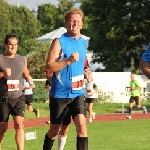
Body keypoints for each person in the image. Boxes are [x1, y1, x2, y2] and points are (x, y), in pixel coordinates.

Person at [43, 8, 89, 150]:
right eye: (71, 21)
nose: (74, 23)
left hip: (78, 92)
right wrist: (68, 61)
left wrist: (86, 71)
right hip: (60, 94)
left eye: (77, 21)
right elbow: (49, 67)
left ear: (81, 24)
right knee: (54, 130)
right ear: (66, 23)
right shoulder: (59, 41)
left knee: (81, 125)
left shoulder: (84, 42)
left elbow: (82, 64)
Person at [0, 34, 32, 150]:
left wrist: (28, 77)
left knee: (19, 125)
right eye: (10, 44)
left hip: (18, 97)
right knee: (2, 128)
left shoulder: (22, 59)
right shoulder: (0, 59)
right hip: (3, 98)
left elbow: (24, 72)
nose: (13, 47)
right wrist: (2, 74)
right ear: (5, 44)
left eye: (15, 45)